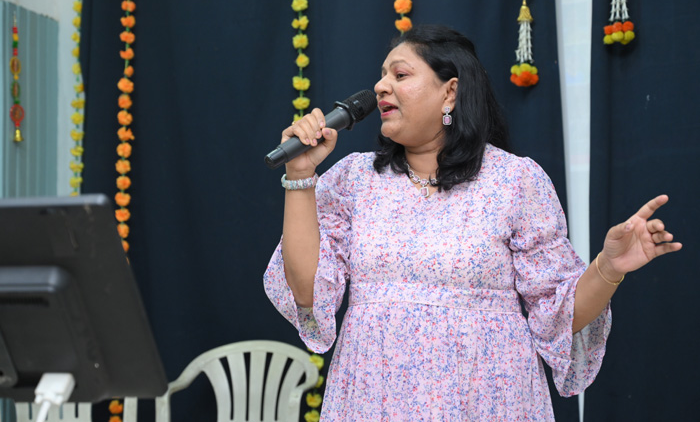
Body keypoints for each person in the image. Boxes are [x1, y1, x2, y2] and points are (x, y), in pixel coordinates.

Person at [263, 24, 682, 420]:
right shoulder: (355, 179)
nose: (380, 86)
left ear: (450, 92)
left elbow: (558, 313)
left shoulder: (514, 180)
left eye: (400, 74)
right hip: (374, 399)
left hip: (486, 400)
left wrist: (608, 268)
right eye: (382, 75)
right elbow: (307, 292)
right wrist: (300, 174)